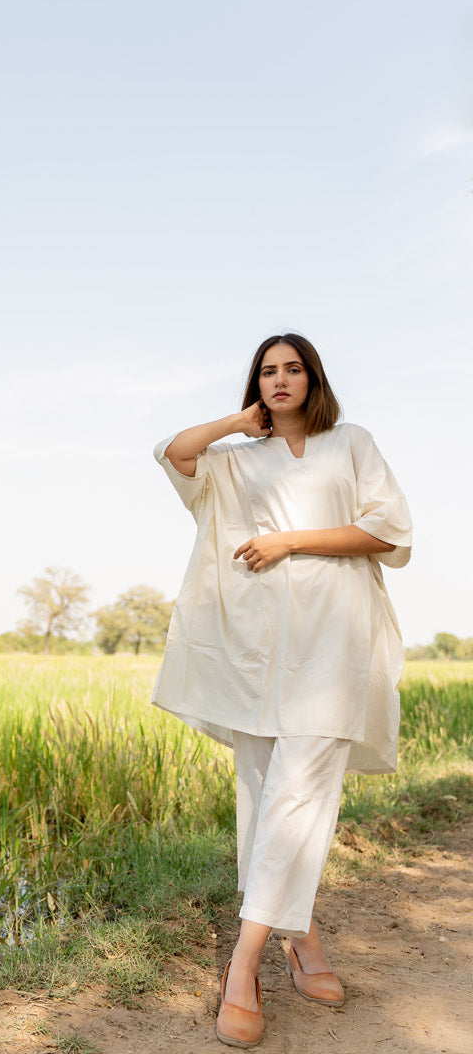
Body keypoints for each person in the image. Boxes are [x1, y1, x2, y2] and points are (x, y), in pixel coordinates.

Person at [151, 332, 412, 1048]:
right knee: (266, 793)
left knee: (300, 793)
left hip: (335, 643)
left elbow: (386, 531)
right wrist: (238, 423)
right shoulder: (239, 460)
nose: (280, 379)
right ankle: (304, 939)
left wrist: (290, 541)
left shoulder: (351, 442)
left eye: (293, 368)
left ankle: (244, 964)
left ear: (314, 377)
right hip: (260, 649)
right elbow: (173, 452)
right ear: (256, 384)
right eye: (267, 371)